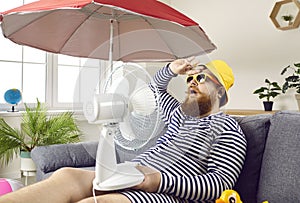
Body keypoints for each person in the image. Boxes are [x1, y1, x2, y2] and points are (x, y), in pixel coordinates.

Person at [0, 58, 247, 203]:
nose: (192, 82)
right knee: (67, 175)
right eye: (190, 79)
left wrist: (156, 181)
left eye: (202, 79)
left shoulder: (227, 128)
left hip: (165, 193)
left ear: (221, 91)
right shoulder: (178, 114)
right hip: (129, 174)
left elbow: (219, 184)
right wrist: (172, 69)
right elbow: (155, 90)